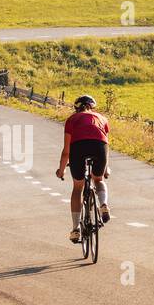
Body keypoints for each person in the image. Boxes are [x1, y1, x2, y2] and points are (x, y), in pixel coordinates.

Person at [56, 94, 110, 243]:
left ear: (76, 108)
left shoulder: (72, 119)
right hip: (100, 148)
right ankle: (103, 204)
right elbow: (105, 145)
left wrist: (61, 170)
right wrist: (106, 168)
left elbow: (66, 151)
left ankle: (76, 229)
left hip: (78, 148)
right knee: (98, 179)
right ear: (92, 107)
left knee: (78, 187)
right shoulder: (102, 118)